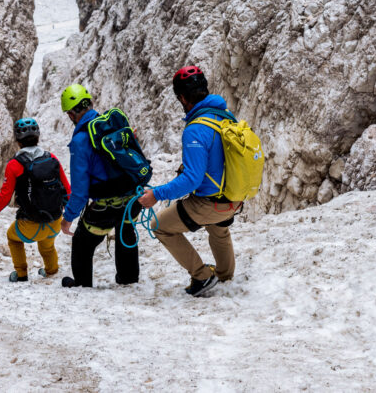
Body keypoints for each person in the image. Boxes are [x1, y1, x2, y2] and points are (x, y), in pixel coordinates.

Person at [138, 66, 242, 297]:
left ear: (182, 98)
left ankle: (202, 276)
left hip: (212, 203)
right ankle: (225, 274)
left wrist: (156, 194)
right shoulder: (225, 116)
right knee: (218, 228)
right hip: (234, 197)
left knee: (160, 226)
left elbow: (192, 180)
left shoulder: (195, 129)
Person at [59, 84, 142, 288]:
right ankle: (128, 278)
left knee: (82, 244)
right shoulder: (112, 124)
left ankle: (82, 284)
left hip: (105, 207)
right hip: (132, 199)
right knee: (126, 230)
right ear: (91, 103)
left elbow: (80, 191)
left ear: (71, 114)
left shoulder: (80, 141)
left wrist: (67, 218)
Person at [0, 118, 70, 282]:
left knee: (12, 237)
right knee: (47, 246)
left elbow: (4, 197)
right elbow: (67, 190)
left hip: (29, 226)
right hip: (54, 222)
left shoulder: (14, 165)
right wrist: (69, 216)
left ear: (17, 141)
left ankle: (21, 274)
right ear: (38, 136)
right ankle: (51, 270)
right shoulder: (51, 158)